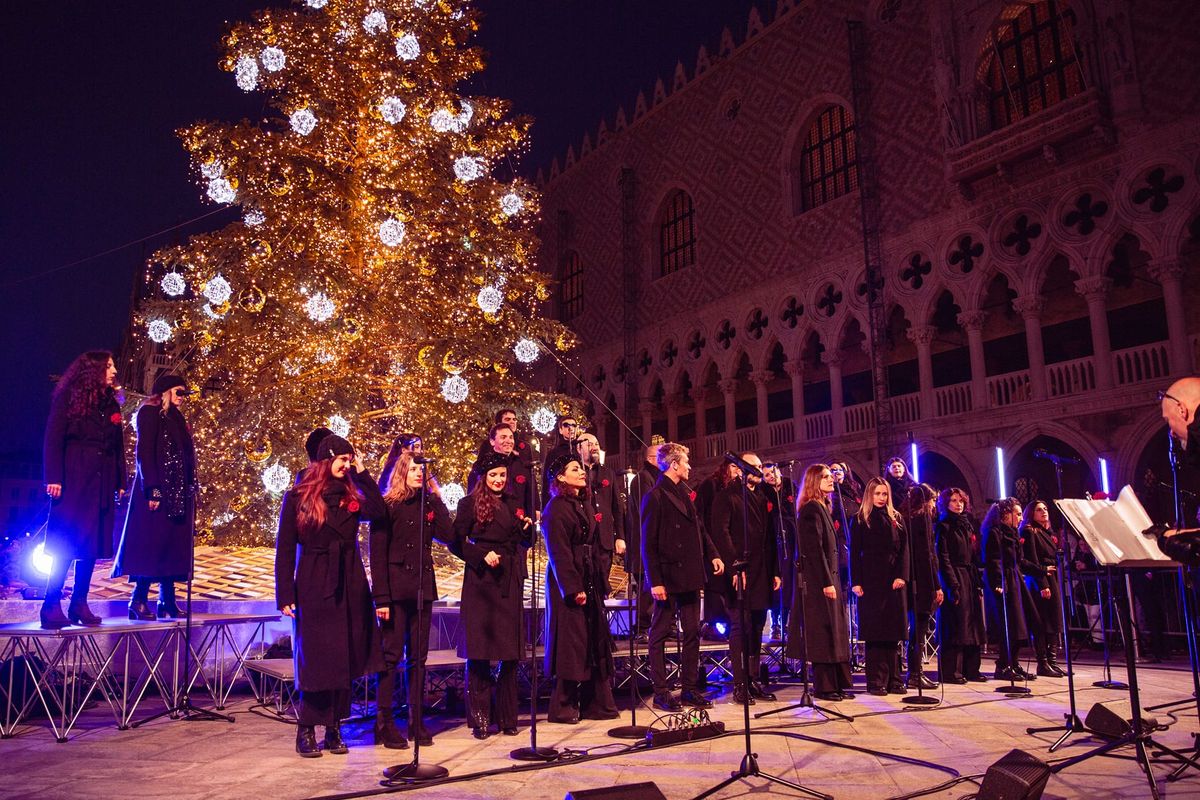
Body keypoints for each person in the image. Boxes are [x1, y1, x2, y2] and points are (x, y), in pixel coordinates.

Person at [275, 434, 386, 757]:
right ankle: (307, 728)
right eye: (342, 460)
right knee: (317, 659)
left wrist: (363, 472)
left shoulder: (352, 493)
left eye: (350, 460)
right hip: (313, 581)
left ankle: (335, 728)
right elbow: (284, 549)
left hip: (349, 582)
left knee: (344, 658)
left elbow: (378, 511)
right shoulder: (298, 497)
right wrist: (285, 594)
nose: (347, 464)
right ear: (326, 461)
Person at [370, 449, 454, 749]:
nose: (419, 472)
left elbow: (449, 535)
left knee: (418, 658)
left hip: (422, 587)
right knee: (391, 657)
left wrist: (438, 497)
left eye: (423, 469)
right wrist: (380, 597)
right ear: (403, 470)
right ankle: (384, 722)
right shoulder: (388, 505)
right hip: (394, 590)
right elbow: (377, 554)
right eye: (414, 468)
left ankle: (416, 721)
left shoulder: (428, 503)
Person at [451, 450, 534, 739]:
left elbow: (525, 540)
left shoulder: (514, 503)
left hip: (508, 579)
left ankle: (508, 716)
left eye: (502, 475)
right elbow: (455, 542)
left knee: (509, 653)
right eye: (493, 475)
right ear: (483, 478)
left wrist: (527, 530)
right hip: (482, 582)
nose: (499, 480)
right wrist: (479, 554)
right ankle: (481, 718)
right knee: (480, 653)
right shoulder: (468, 504)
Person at [41, 350, 126, 629]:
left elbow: (118, 446)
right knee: (66, 541)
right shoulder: (70, 397)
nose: (114, 371)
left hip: (100, 481)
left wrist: (120, 481)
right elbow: (53, 438)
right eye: (109, 366)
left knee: (91, 543)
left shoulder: (109, 402)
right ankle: (51, 603)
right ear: (94, 371)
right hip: (75, 477)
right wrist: (54, 476)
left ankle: (80, 602)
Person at [641, 442, 725, 711]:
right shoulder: (654, 496)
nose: (690, 466)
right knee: (659, 633)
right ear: (674, 464)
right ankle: (661, 691)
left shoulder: (684, 493)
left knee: (691, 632)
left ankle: (689, 689)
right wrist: (655, 581)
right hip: (667, 575)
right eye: (686, 461)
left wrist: (712, 553)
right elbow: (648, 543)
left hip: (689, 574)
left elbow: (699, 529)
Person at [112, 375, 196, 620]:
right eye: (179, 392)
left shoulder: (176, 418)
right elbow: (145, 452)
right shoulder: (149, 413)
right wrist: (153, 489)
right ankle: (138, 600)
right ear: (166, 391)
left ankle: (166, 600)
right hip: (157, 490)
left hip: (177, 491)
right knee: (150, 544)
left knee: (170, 544)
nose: (182, 398)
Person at [542, 453, 618, 724]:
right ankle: (563, 705)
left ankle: (594, 702)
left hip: (588, 575)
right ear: (561, 477)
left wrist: (600, 581)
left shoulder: (583, 502)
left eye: (581, 468)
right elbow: (558, 552)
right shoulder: (556, 508)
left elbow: (594, 545)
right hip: (568, 581)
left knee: (591, 637)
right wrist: (573, 588)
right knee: (570, 641)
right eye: (575, 469)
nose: (582, 472)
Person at [710, 452, 780, 704]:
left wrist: (775, 571)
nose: (760, 470)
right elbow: (721, 532)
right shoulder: (727, 496)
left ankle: (753, 681)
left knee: (758, 627)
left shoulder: (762, 497)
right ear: (740, 469)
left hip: (762, 572)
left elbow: (770, 537)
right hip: (739, 572)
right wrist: (734, 568)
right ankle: (740, 684)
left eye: (762, 465)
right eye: (755, 466)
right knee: (741, 626)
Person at [789, 464, 853, 700]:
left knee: (835, 632)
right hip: (819, 583)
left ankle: (837, 684)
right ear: (814, 482)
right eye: (825, 477)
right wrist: (827, 581)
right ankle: (824, 687)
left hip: (831, 580)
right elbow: (813, 550)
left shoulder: (824, 506)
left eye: (831, 476)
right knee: (823, 634)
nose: (831, 480)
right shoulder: (810, 510)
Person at [851, 478, 910, 695]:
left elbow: (905, 550)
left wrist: (902, 576)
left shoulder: (897, 519)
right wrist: (856, 581)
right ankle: (876, 681)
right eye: (877, 494)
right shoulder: (860, 520)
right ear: (870, 495)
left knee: (893, 633)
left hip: (894, 581)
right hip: (871, 581)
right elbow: (855, 554)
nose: (881, 498)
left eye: (884, 494)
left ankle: (895, 679)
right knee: (876, 634)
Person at [982, 497, 1036, 682]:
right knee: (1008, 623)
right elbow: (993, 559)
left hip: (1015, 578)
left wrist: (1040, 570)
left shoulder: (1013, 532)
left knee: (1020, 623)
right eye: (1018, 514)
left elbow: (1019, 561)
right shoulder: (995, 532)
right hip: (1002, 580)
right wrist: (999, 582)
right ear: (1006, 514)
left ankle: (1014, 662)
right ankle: (1004, 665)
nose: (1021, 518)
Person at [936, 487, 986, 683]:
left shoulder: (967, 524)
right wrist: (952, 584)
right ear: (946, 503)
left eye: (961, 500)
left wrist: (977, 583)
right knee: (956, 624)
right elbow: (944, 557)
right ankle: (951, 672)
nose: (958, 504)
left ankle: (971, 669)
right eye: (954, 500)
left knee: (973, 624)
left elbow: (973, 556)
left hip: (969, 575)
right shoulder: (944, 525)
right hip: (954, 575)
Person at [901, 483, 942, 690]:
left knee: (915, 628)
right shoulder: (923, 518)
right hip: (924, 580)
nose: (934, 504)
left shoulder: (906, 518)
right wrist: (937, 585)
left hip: (911, 578)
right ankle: (915, 673)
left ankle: (914, 672)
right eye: (933, 500)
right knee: (920, 629)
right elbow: (928, 554)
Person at [575, 432, 626, 594]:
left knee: (602, 582)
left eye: (596, 444)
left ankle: (601, 614)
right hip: (583, 538)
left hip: (604, 538)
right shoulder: (575, 473)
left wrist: (620, 537)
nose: (595, 447)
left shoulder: (607, 473)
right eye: (590, 444)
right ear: (578, 448)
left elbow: (617, 507)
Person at [696, 460, 741, 641]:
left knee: (731, 587)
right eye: (734, 467)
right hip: (712, 543)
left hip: (731, 544)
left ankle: (732, 626)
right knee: (715, 586)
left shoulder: (738, 490)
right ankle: (715, 625)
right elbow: (700, 515)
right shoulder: (710, 485)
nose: (738, 471)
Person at [1019, 501, 1065, 677]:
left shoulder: (1047, 532)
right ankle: (1043, 663)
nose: (1044, 512)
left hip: (1052, 577)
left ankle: (1052, 661)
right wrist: (1043, 583)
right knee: (1042, 622)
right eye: (1039, 510)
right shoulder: (1030, 532)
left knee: (1054, 620)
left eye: (1045, 509)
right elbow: (1031, 559)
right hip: (1040, 580)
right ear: (1031, 513)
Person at [624, 436, 664, 639]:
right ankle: (641, 628)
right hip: (643, 545)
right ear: (651, 459)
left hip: (655, 543)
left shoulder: (658, 478)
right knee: (646, 590)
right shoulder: (642, 478)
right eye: (661, 456)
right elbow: (646, 511)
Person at [761, 462, 797, 642]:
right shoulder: (763, 491)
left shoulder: (791, 486)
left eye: (772, 472)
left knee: (790, 582)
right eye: (766, 475)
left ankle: (788, 622)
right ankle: (774, 623)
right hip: (772, 540)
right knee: (776, 584)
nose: (770, 477)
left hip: (790, 539)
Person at [470, 423, 535, 516]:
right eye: (503, 437)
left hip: (519, 521)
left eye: (511, 437)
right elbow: (472, 495)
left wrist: (533, 513)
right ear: (492, 441)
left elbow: (530, 492)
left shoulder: (521, 464)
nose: (508, 441)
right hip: (489, 517)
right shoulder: (481, 465)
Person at [541, 415, 579, 497]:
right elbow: (547, 481)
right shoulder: (553, 453)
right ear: (560, 430)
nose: (571, 428)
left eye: (573, 425)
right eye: (566, 425)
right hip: (561, 495)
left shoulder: (581, 449)